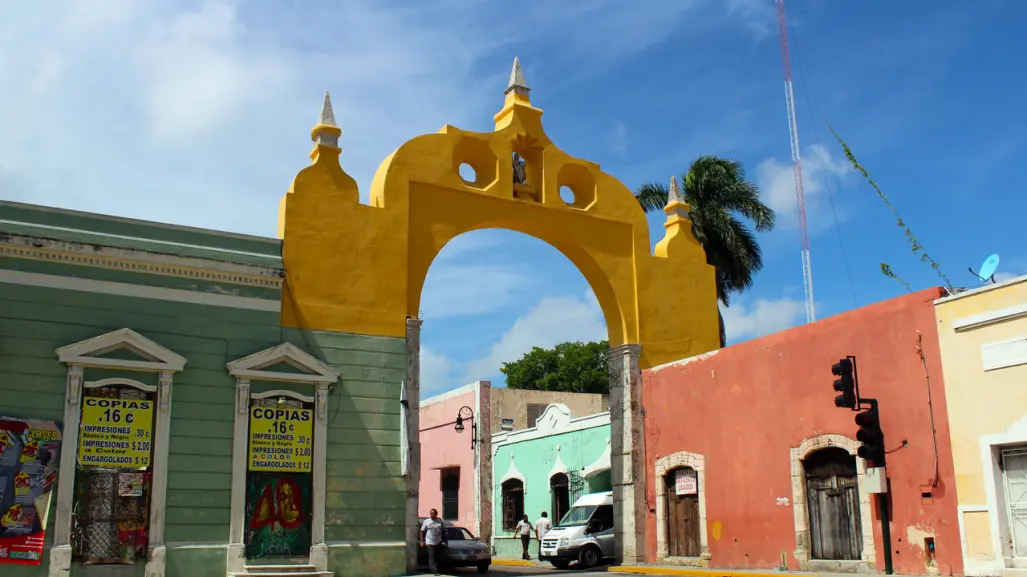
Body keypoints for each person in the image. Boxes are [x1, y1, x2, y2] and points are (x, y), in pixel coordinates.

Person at [420, 508, 448, 575]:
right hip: (429, 541)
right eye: (430, 513)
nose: (431, 514)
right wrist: (422, 541)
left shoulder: (440, 521)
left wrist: (446, 540)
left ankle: (436, 569)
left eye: (433, 513)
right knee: (431, 556)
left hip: (438, 541)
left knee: (437, 557)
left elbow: (444, 531)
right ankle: (435, 571)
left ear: (436, 514)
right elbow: (422, 531)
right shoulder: (426, 521)